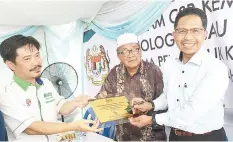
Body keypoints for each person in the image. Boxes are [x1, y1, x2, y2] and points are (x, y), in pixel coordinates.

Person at [128, 7, 229, 141]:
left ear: (205, 34)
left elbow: (191, 112)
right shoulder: (170, 63)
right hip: (175, 137)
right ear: (174, 35)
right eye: (182, 31)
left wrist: (151, 120)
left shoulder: (215, 68)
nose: (188, 37)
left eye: (195, 31)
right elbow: (168, 95)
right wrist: (150, 105)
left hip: (208, 138)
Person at [0, 35, 102, 142]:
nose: (36, 62)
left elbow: (61, 107)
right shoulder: (6, 94)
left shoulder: (46, 83)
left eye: (37, 55)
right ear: (11, 65)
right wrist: (74, 126)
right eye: (27, 58)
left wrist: (75, 103)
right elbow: (32, 128)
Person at [95, 33, 167, 141]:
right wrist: (101, 100)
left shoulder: (154, 71)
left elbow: (165, 104)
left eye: (134, 49)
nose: (131, 54)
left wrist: (147, 110)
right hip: (124, 138)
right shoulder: (114, 74)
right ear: (118, 56)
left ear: (140, 51)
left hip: (152, 138)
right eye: (124, 51)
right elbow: (103, 100)